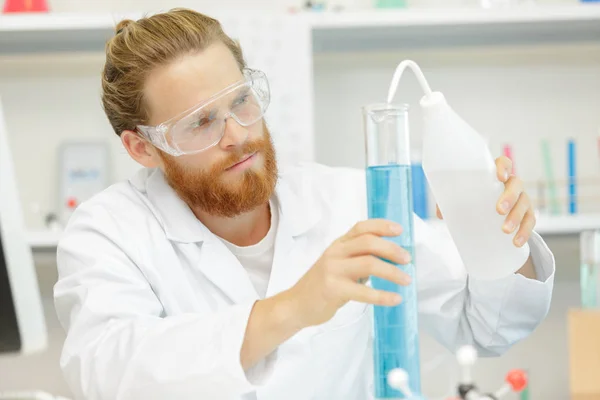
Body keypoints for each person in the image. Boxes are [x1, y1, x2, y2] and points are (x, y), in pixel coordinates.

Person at [53, 8, 555, 400]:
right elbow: (109, 376)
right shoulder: (109, 232)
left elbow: (487, 326)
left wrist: (503, 240)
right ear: (142, 147)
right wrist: (294, 307)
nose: (237, 134)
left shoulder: (348, 200)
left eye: (241, 101)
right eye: (200, 123)